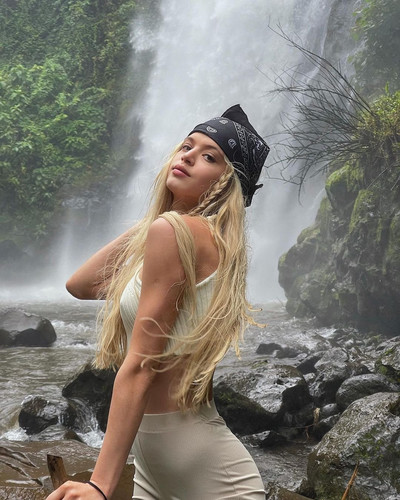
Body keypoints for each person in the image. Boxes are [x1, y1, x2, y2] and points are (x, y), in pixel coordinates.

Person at [46, 104, 270, 500]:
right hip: (157, 468)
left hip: (208, 474)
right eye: (186, 146)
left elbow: (143, 363)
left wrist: (100, 485)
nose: (188, 156)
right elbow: (81, 285)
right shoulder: (189, 234)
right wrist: (159, 216)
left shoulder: (178, 233)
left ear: (227, 183)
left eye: (209, 156)